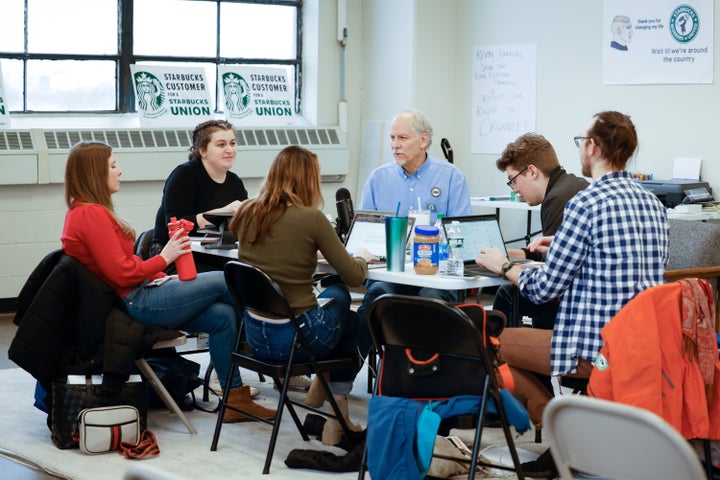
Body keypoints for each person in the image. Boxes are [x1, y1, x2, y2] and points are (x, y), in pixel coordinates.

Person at [475, 111, 668, 477]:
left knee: (489, 340)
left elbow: (544, 288)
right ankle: (580, 435)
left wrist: (503, 265)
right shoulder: (654, 205)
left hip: (594, 348)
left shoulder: (586, 204)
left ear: (593, 147)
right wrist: (560, 249)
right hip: (643, 346)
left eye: (581, 141)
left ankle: (566, 440)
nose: (579, 148)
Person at [61, 141, 275, 424]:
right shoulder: (91, 214)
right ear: (93, 173)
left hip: (137, 294)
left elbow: (120, 267)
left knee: (222, 317)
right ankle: (275, 350)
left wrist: (161, 275)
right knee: (228, 280)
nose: (119, 171)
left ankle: (235, 399)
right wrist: (164, 258)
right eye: (113, 166)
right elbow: (123, 274)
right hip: (136, 302)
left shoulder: (86, 212)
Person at [230, 145, 374, 446]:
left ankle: (326, 399)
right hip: (297, 339)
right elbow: (356, 276)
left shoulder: (246, 211)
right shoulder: (311, 218)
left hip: (255, 337)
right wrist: (360, 255)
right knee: (350, 311)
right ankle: (335, 413)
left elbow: (274, 253)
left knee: (344, 320)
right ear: (307, 180)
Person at [357, 109, 472, 315]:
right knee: (379, 296)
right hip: (389, 273)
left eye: (402, 138)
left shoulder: (451, 177)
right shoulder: (377, 179)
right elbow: (363, 235)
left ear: (423, 140)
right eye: (392, 138)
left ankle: (424, 349)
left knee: (431, 300)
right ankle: (365, 348)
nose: (394, 145)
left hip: (435, 275)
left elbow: (461, 236)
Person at [493, 133, 589, 330]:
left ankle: (500, 355)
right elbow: (556, 250)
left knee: (507, 293)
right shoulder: (574, 185)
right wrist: (517, 254)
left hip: (571, 307)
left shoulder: (556, 199)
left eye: (513, 180)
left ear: (532, 172)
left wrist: (504, 266)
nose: (514, 189)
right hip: (587, 297)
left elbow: (550, 280)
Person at [150, 119, 248, 268]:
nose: (230, 150)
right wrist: (222, 213)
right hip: (178, 258)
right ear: (202, 150)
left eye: (233, 143)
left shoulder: (235, 182)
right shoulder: (184, 176)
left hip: (218, 256)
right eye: (221, 145)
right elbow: (175, 225)